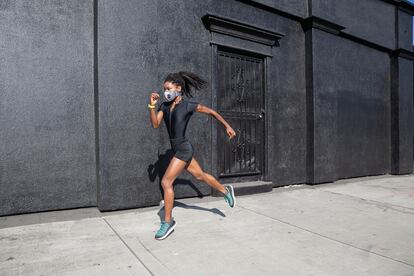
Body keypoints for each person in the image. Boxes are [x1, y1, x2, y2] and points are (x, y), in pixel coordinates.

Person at [149, 71, 237, 240]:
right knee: (200, 175)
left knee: (166, 182)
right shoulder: (164, 106)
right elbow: (155, 124)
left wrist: (227, 126)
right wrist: (152, 106)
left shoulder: (187, 105)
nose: (165, 91)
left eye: (168, 88)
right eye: (164, 89)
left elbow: (211, 112)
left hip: (183, 149)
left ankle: (168, 222)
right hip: (178, 150)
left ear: (178, 88)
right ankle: (226, 191)